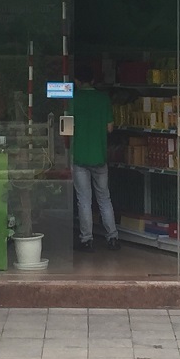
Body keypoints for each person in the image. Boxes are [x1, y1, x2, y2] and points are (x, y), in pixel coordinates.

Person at [71, 63, 120, 251]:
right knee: (104, 198)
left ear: (76, 81)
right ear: (92, 80)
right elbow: (110, 128)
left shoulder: (74, 99)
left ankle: (86, 239)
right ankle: (112, 237)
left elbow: (67, 127)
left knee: (84, 200)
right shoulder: (103, 98)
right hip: (100, 156)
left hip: (80, 156)